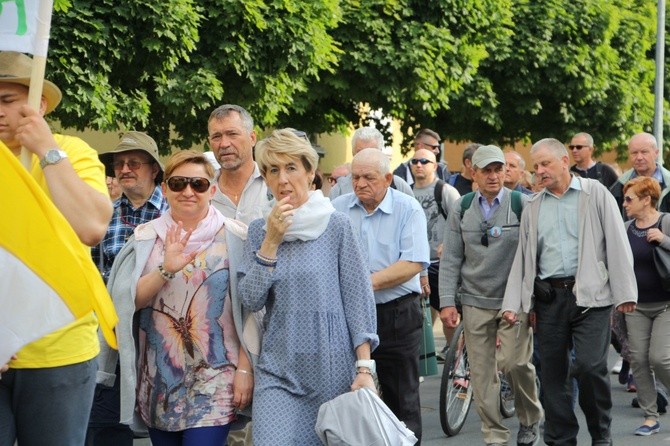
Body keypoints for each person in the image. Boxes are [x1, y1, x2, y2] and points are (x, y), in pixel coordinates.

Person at [0, 51, 114, 445]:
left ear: (39, 104)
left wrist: (47, 149)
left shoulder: (72, 152)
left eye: (7, 100)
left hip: (58, 351)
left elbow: (92, 226)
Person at [104, 150, 254, 445]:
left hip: (217, 376)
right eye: (177, 183)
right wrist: (165, 269)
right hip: (160, 376)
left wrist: (245, 369)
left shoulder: (238, 237)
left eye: (197, 184)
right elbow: (124, 304)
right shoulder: (146, 237)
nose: (187, 191)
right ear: (164, 188)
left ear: (212, 190)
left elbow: (253, 312)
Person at [237, 129, 378, 445]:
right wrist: (271, 242)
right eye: (273, 170)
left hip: (332, 371)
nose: (283, 179)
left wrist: (364, 368)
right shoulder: (261, 231)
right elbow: (251, 298)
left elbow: (357, 298)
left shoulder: (336, 225)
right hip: (279, 370)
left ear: (310, 172)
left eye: (291, 168)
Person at [502, 138, 637, 446]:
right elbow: (523, 258)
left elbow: (617, 242)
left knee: (590, 367)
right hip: (550, 299)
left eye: (545, 164)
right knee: (552, 376)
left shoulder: (596, 194)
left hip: (592, 297)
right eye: (535, 166)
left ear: (564, 161)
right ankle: (560, 439)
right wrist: (513, 304)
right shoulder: (533, 205)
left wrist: (625, 292)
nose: (539, 171)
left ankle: (600, 433)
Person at [439, 145, 542, 446]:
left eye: (499, 169)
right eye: (487, 170)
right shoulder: (462, 208)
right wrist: (447, 302)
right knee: (482, 375)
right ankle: (495, 435)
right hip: (474, 300)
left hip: (513, 301)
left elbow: (534, 258)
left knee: (514, 363)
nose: (495, 175)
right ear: (474, 172)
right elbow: (451, 260)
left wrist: (530, 301)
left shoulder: (521, 204)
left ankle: (529, 419)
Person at [332, 148, 429, 442]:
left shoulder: (407, 208)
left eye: (368, 177)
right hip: (347, 317)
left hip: (395, 314)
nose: (360, 184)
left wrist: (362, 283)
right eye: (355, 177)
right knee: (349, 398)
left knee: (402, 401)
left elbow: (412, 263)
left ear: (387, 178)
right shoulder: (336, 209)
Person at [87, 132, 169, 445]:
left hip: (162, 340)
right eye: (119, 164)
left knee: (166, 430)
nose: (124, 169)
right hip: (113, 340)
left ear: (154, 169)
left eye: (133, 162)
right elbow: (94, 275)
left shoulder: (174, 215)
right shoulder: (102, 216)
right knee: (107, 428)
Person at [621, 176, 670, 436]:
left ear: (646, 199)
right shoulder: (626, 227)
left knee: (660, 359)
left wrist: (663, 239)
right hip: (635, 305)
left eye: (629, 199)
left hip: (666, 305)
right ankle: (651, 417)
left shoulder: (666, 221)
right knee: (638, 361)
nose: (624, 203)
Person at [409, 147, 460, 356]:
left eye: (424, 161)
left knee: (448, 316)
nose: (419, 165)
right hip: (413, 265)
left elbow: (461, 221)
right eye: (414, 161)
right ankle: (421, 363)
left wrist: (449, 242)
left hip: (439, 265)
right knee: (416, 319)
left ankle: (458, 362)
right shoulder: (406, 190)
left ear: (435, 165)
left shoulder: (445, 190)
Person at [207, 104, 271, 224]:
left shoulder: (274, 185)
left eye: (232, 134)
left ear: (252, 138)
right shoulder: (201, 191)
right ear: (209, 142)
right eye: (217, 137)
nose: (224, 144)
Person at [329, 126, 413, 199]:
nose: (365, 157)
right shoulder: (339, 190)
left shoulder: (399, 186)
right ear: (352, 153)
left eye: (371, 152)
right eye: (360, 152)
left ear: (381, 153)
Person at [610, 132, 670, 219]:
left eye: (644, 152)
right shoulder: (619, 186)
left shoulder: (668, 183)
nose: (639, 157)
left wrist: (664, 233)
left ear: (656, 153)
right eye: (634, 153)